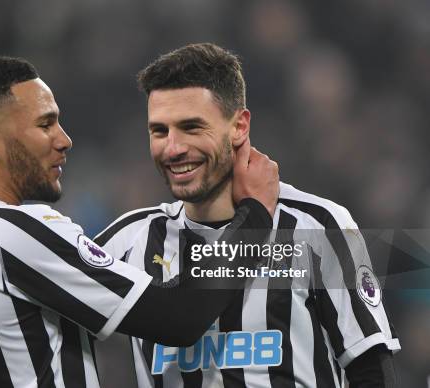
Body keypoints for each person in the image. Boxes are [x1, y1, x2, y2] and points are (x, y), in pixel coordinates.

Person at [0, 56, 280, 388]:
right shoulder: (16, 233)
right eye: (45, 124)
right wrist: (256, 215)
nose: (64, 139)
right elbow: (180, 317)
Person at [93, 43, 400, 387]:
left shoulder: (317, 226)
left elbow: (371, 370)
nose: (173, 148)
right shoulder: (128, 241)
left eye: (192, 127)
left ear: (239, 126)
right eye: (159, 131)